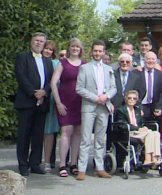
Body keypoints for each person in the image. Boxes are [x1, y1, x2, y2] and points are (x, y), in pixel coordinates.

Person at [75, 40, 117, 180]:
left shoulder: (108, 69)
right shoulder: (84, 68)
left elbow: (114, 88)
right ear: (91, 52)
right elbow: (79, 88)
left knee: (100, 139)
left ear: (103, 52)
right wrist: (95, 98)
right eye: (96, 51)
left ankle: (100, 167)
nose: (98, 53)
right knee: (86, 138)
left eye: (100, 51)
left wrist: (106, 96)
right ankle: (81, 168)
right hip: (89, 106)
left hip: (103, 106)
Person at [15, 32, 52, 176]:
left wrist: (44, 92)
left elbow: (51, 81)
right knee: (24, 135)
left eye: (41, 41)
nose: (38, 43)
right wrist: (34, 92)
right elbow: (21, 76)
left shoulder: (48, 61)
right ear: (31, 42)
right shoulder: (22, 57)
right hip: (26, 101)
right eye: (36, 40)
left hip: (42, 102)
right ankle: (23, 165)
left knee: (38, 135)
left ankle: (35, 163)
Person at [51, 38, 84, 177]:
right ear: (69, 48)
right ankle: (62, 164)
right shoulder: (62, 63)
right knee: (66, 131)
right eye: (72, 46)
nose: (75, 49)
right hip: (65, 102)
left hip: (80, 102)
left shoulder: (84, 64)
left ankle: (74, 163)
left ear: (81, 49)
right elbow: (53, 83)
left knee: (77, 132)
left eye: (77, 47)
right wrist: (58, 103)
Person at [120, 90, 162, 165]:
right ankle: (148, 159)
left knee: (156, 133)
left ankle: (155, 158)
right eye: (130, 98)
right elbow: (122, 125)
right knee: (150, 134)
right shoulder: (121, 110)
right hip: (129, 132)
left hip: (139, 132)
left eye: (134, 98)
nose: (132, 100)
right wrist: (138, 129)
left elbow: (140, 123)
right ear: (126, 99)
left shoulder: (138, 110)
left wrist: (144, 128)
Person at [41, 39, 60, 172]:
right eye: (46, 48)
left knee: (49, 132)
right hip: (35, 98)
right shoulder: (34, 60)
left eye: (50, 50)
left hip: (51, 99)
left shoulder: (56, 63)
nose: (47, 51)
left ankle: (48, 161)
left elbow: (58, 83)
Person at [138, 51, 162, 120]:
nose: (151, 61)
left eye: (153, 59)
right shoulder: (137, 73)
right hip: (140, 106)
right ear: (144, 60)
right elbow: (134, 91)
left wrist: (159, 107)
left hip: (154, 108)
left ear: (156, 61)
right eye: (148, 59)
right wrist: (138, 107)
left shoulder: (160, 74)